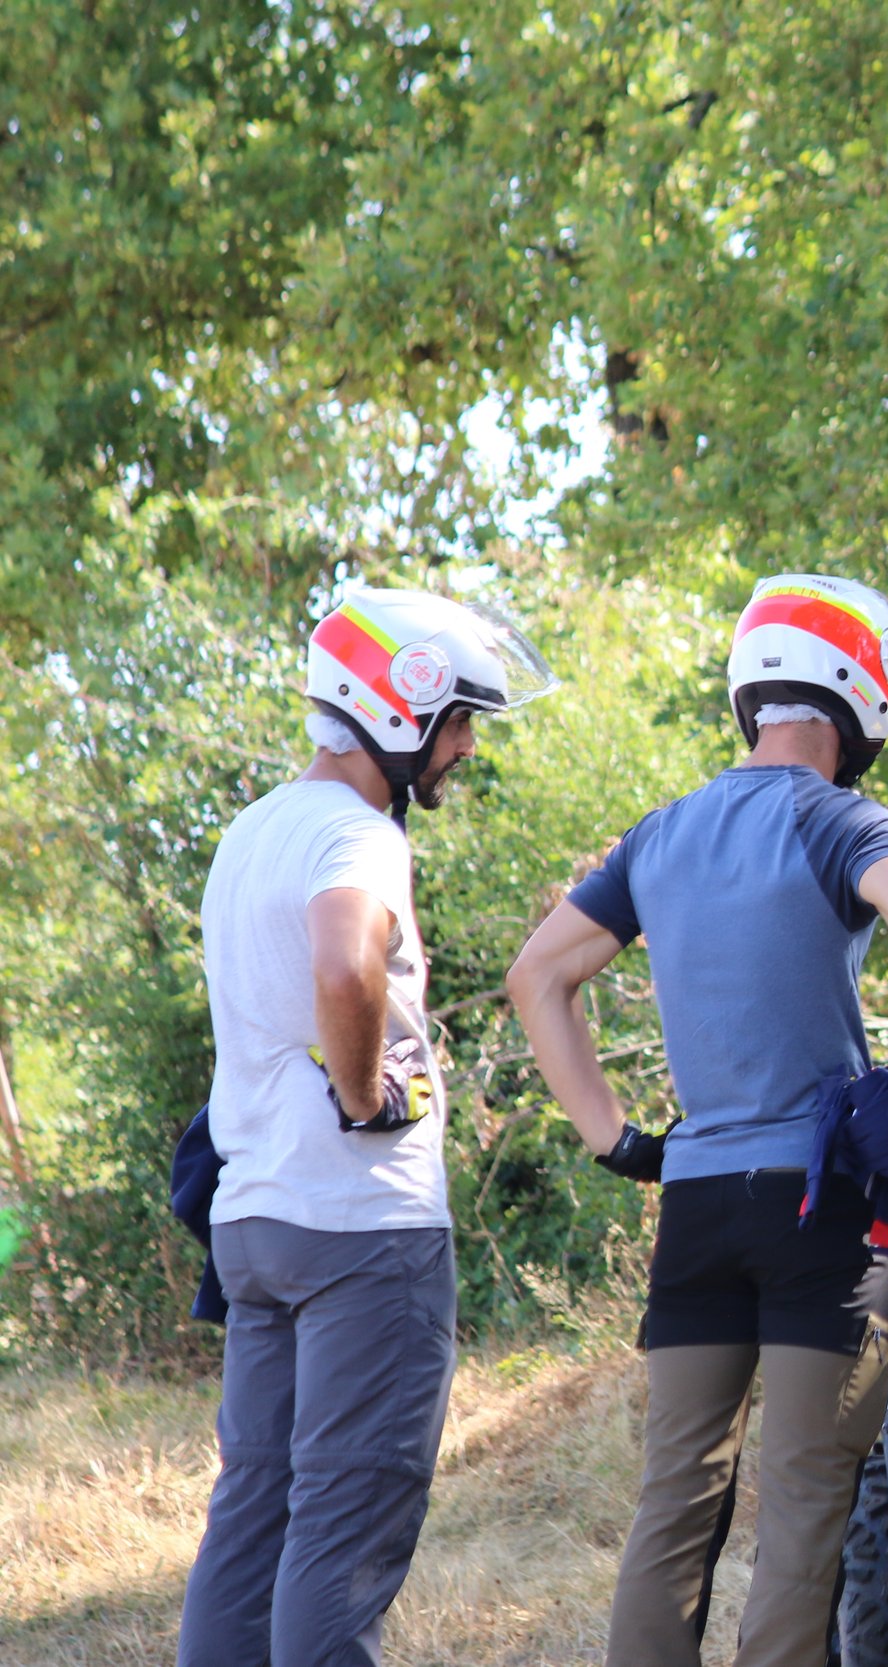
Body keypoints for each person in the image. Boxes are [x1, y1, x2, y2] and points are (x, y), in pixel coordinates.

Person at [505, 573, 888, 1667]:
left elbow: (538, 977)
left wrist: (615, 1137)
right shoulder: (841, 815)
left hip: (698, 1206)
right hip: (826, 1212)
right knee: (805, 1502)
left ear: (754, 687)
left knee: (675, 1502)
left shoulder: (657, 836)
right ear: (860, 699)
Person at [180, 585, 558, 1667]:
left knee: (252, 1512)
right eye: (459, 722)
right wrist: (360, 1094)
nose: (466, 748)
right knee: (343, 1532)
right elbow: (345, 959)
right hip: (359, 1230)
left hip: (256, 1218)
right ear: (402, 713)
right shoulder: (359, 833)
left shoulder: (251, 830)